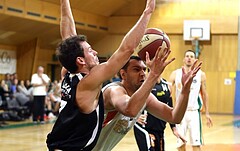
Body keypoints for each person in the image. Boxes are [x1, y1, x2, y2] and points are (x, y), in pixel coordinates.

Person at [46, 0, 156, 150]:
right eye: (90, 50)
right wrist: (148, 11)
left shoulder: (68, 71)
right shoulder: (88, 82)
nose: (96, 52)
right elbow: (127, 49)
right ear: (80, 60)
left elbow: (68, 33)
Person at [92, 54, 202, 151]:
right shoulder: (114, 90)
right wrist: (153, 75)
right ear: (123, 74)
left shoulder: (146, 97)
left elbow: (175, 117)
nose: (142, 73)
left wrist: (185, 90)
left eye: (144, 70)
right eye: (136, 69)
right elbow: (129, 109)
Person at [169, 50, 213, 151]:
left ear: (195, 60)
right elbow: (168, 91)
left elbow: (205, 94)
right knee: (180, 144)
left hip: (194, 113)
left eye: (192, 56)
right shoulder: (175, 74)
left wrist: (207, 113)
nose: (189, 58)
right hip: (180, 113)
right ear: (184, 59)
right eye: (187, 56)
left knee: (196, 144)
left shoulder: (201, 74)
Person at [134, 76, 186, 151]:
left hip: (160, 129)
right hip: (145, 128)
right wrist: (134, 117)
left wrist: (174, 128)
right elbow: (128, 101)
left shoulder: (167, 85)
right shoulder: (143, 84)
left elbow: (170, 107)